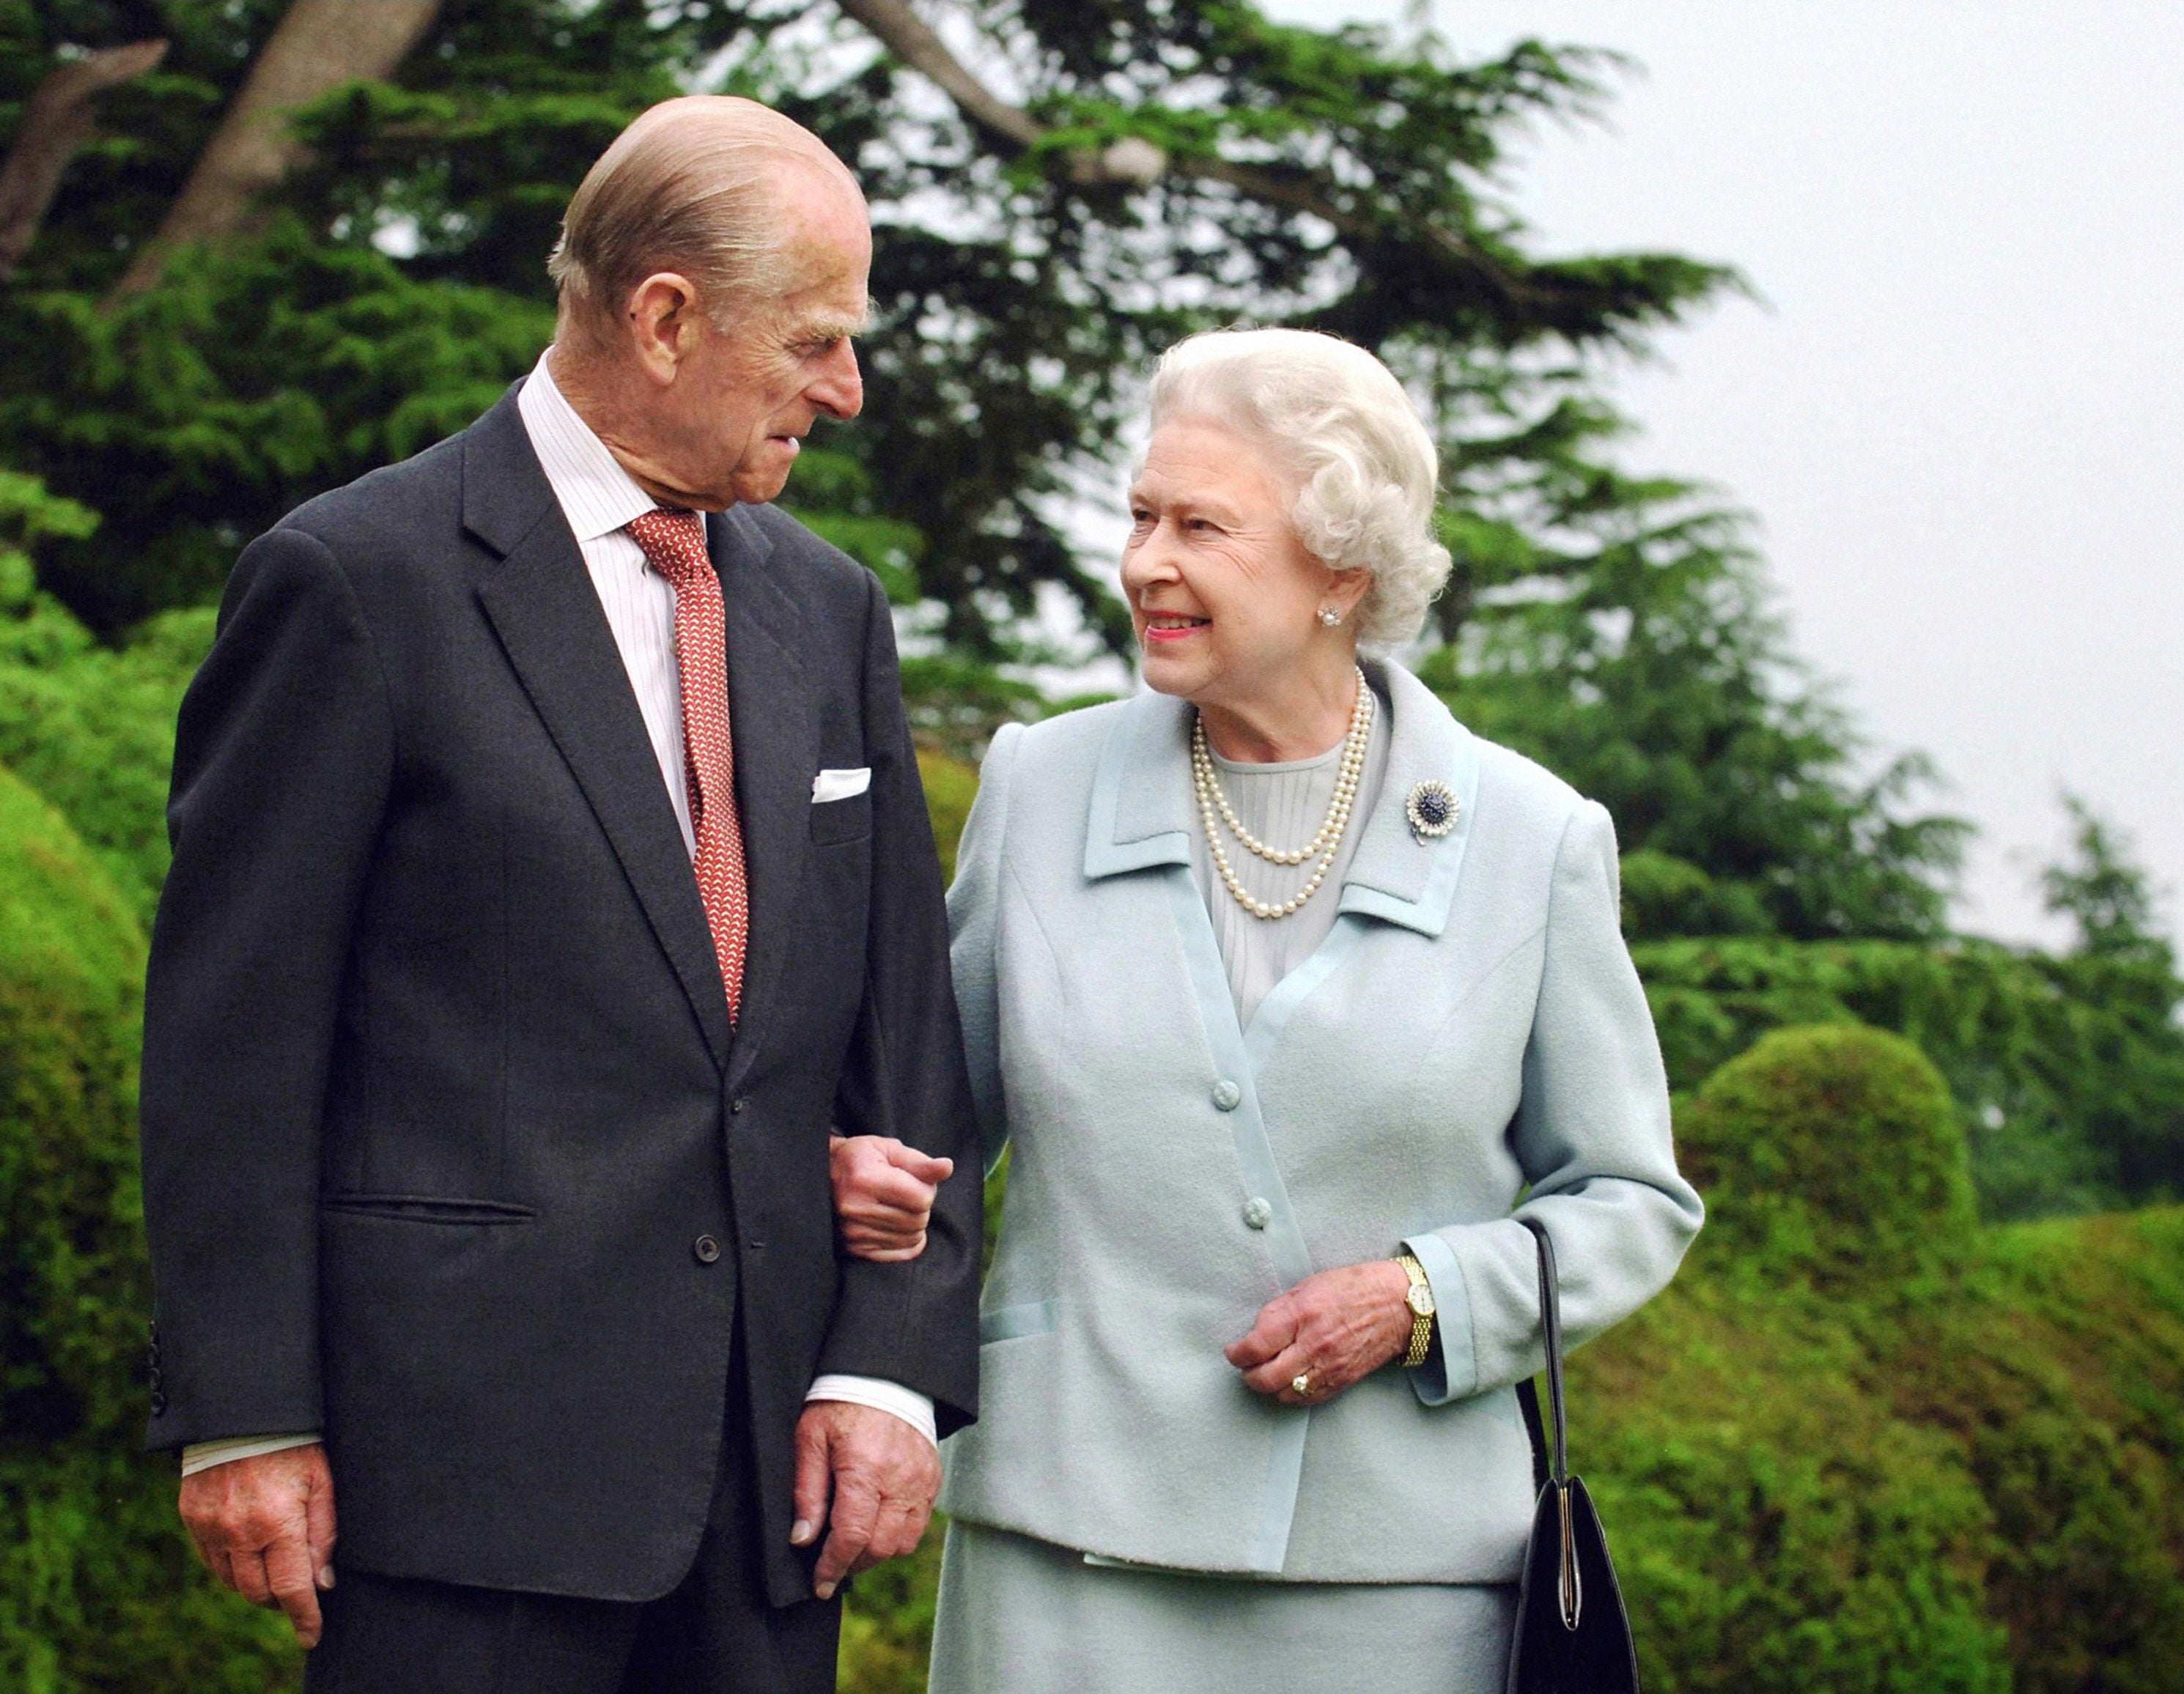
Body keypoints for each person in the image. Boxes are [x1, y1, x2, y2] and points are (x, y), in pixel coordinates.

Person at [139, 96, 981, 1690]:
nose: (847, 391)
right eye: (815, 338)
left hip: (767, 1498)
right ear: (664, 316)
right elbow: (229, 1047)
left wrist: (889, 1369)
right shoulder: (352, 582)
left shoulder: (828, 607)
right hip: (456, 1486)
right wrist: (245, 1411)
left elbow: (901, 1034)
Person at [836, 327, 1704, 1691]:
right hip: (1066, 1557)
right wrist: (859, 1166)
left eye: (1201, 527)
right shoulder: (1040, 788)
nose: (1144, 563)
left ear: (1340, 574)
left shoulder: (1531, 838)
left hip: (1399, 1583)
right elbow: (924, 1123)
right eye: (1137, 516)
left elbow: (1628, 1199)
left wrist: (1423, 1297)